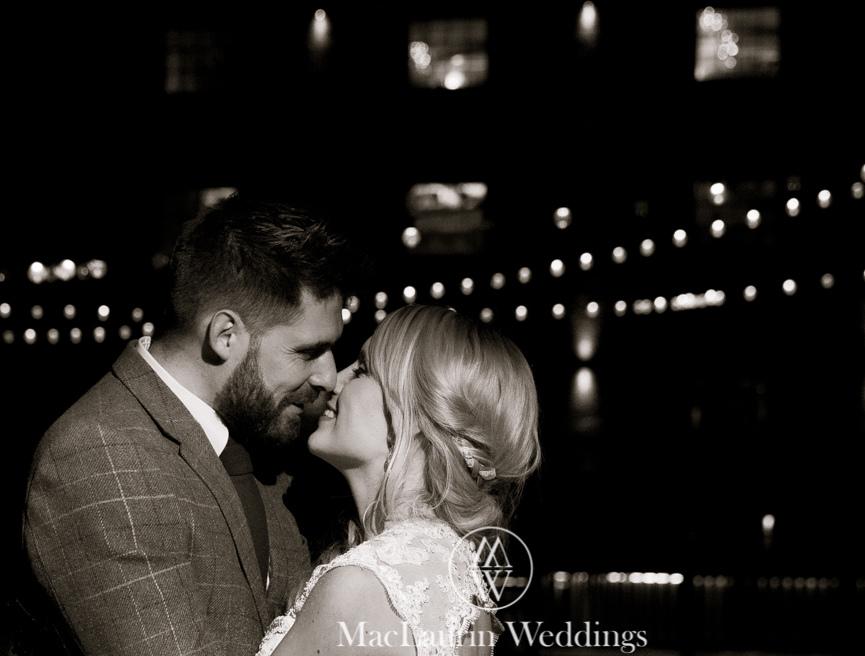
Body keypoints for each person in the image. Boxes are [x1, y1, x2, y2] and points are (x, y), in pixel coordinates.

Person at [22, 195, 363, 655]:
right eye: (308, 352)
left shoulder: (256, 434)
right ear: (225, 336)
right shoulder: (98, 455)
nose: (328, 375)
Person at [256, 304, 541, 656]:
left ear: (419, 413)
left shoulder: (363, 584)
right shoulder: (458, 582)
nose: (334, 380)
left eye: (362, 371)